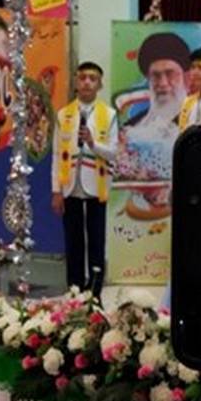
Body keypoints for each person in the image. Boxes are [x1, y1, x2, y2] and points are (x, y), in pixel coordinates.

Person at [52, 61, 117, 296]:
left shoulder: (109, 115)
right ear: (76, 83)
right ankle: (75, 289)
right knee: (73, 241)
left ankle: (95, 292)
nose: (87, 82)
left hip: (96, 186)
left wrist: (92, 143)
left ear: (100, 84)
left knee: (96, 241)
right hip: (70, 185)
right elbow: (56, 154)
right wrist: (56, 191)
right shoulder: (64, 114)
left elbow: (113, 152)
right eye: (83, 78)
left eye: (92, 78)